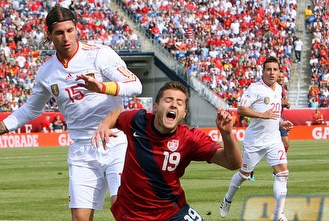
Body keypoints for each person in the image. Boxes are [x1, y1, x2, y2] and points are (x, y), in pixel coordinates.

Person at [0, 5, 142, 221]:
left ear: (77, 29)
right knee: (80, 219)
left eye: (70, 30)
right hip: (82, 151)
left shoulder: (100, 55)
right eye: (59, 32)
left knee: (123, 210)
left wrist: (102, 87)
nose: (66, 37)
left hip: (116, 143)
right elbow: (31, 109)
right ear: (49, 34)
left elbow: (135, 85)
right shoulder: (47, 72)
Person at [91, 81, 242, 221]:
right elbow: (117, 114)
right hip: (133, 215)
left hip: (173, 212)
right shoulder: (139, 121)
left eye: (179, 102)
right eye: (168, 100)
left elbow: (233, 163)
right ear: (155, 107)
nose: (174, 105)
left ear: (184, 114)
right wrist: (104, 125)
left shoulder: (190, 139)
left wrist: (227, 134)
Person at [219, 56, 293, 221]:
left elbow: (273, 111)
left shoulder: (279, 88)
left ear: (279, 71)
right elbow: (240, 109)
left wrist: (281, 121)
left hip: (274, 140)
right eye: (268, 69)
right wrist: (262, 115)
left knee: (282, 173)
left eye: (275, 69)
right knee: (244, 174)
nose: (272, 73)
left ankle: (278, 215)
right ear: (263, 71)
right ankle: (228, 199)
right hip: (255, 141)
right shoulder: (255, 88)